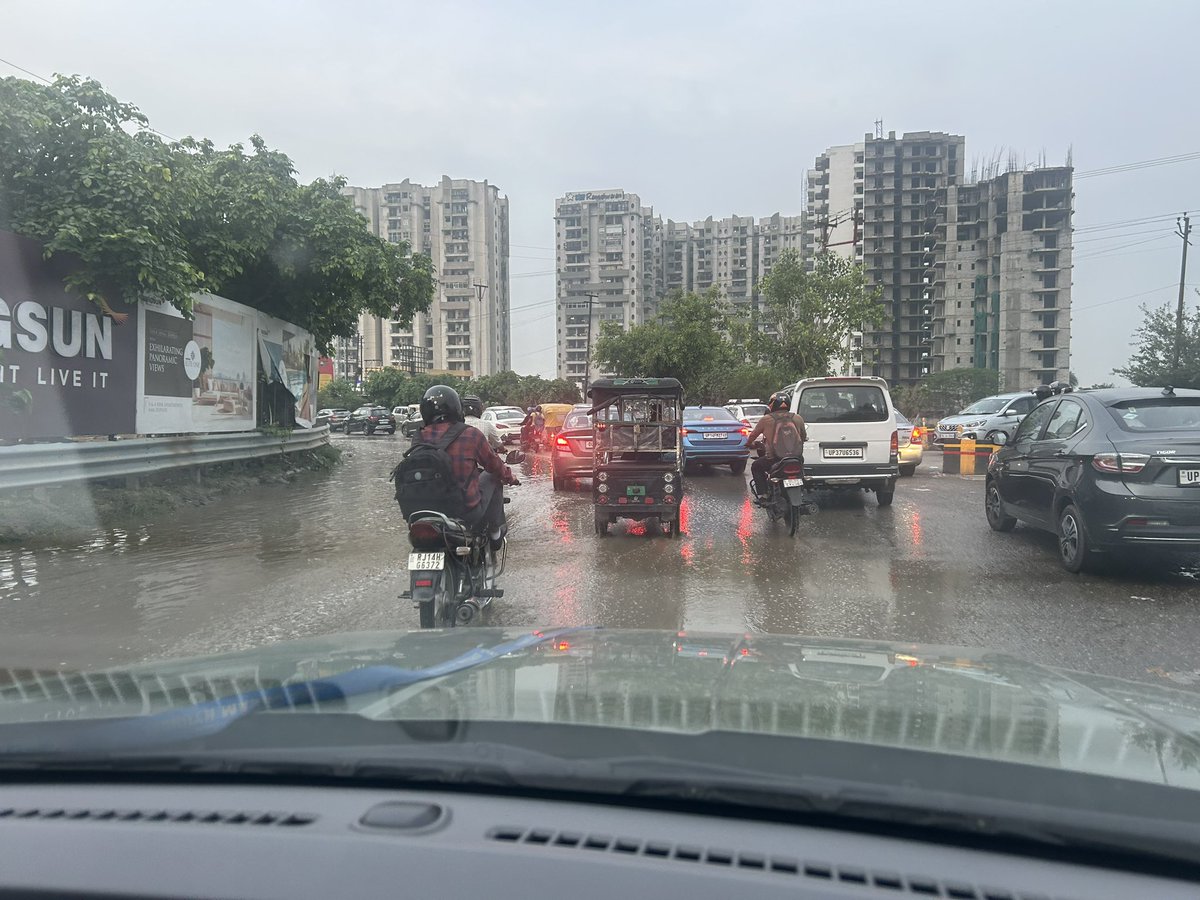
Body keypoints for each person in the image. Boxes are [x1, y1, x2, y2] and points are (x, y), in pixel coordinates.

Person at [414, 385, 518, 550]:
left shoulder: (418, 435)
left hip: (423, 511)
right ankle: (494, 533)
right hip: (464, 510)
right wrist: (509, 477)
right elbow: (494, 465)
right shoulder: (471, 434)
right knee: (493, 476)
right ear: (456, 409)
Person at [745, 390, 808, 500]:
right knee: (801, 467)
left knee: (756, 466)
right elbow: (803, 436)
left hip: (774, 459)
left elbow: (753, 435)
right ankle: (802, 491)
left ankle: (763, 495)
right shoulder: (798, 418)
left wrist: (748, 444)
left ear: (771, 404)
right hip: (796, 457)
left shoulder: (766, 419)